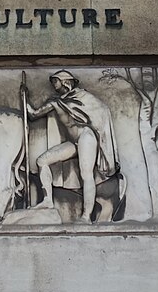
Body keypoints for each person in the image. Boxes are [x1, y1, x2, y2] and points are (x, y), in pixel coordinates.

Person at [25, 70, 120, 223]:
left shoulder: (82, 96)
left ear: (65, 81)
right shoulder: (55, 101)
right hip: (73, 142)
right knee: (42, 161)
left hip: (86, 137)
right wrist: (25, 97)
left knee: (86, 174)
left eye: (56, 81)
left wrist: (101, 135)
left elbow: (103, 110)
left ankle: (86, 216)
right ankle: (48, 201)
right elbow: (34, 114)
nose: (53, 85)